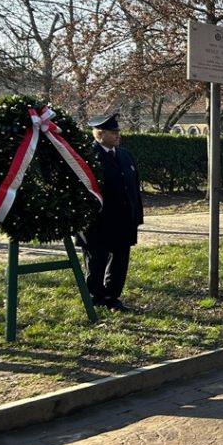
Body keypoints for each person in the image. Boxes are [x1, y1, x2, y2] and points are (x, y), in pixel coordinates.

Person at [78, 113, 144, 312]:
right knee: (97, 260)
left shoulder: (125, 154)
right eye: (113, 132)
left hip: (124, 220)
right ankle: (96, 297)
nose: (118, 135)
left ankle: (113, 297)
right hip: (99, 222)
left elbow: (133, 186)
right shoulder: (88, 156)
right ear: (100, 133)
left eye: (118, 131)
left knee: (120, 260)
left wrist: (136, 216)